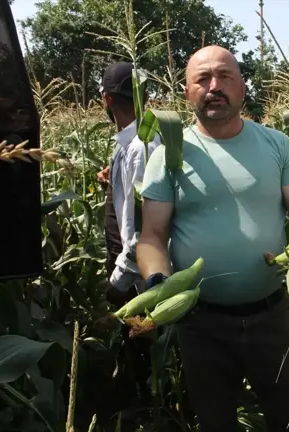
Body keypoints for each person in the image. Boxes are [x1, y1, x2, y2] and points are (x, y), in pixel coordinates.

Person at [136, 45, 289, 432]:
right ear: (187, 92)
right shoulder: (169, 154)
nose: (214, 86)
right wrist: (160, 285)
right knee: (214, 420)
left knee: (286, 417)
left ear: (242, 87)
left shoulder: (277, 145)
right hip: (202, 321)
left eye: (225, 77)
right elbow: (152, 235)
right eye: (202, 79)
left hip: (272, 315)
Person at [96, 61, 161, 419]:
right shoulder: (129, 144)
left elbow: (141, 230)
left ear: (106, 99)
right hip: (128, 263)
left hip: (134, 271)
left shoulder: (141, 145)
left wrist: (118, 282)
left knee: (145, 341)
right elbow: (133, 198)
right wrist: (113, 180)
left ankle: (150, 407)